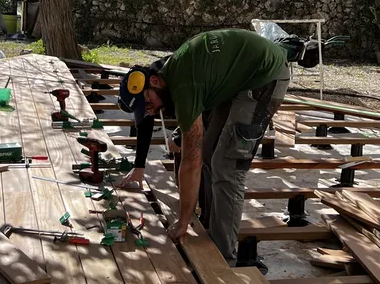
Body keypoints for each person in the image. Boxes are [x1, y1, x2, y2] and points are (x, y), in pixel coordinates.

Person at [120, 29, 290, 269]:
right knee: (210, 152)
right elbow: (162, 121)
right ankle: (212, 226)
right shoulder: (168, 75)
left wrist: (183, 221)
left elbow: (191, 161)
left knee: (227, 167)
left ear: (155, 82)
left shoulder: (183, 86)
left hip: (265, 77)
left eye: (148, 103)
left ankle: (223, 258)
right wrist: (140, 166)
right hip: (237, 79)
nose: (149, 110)